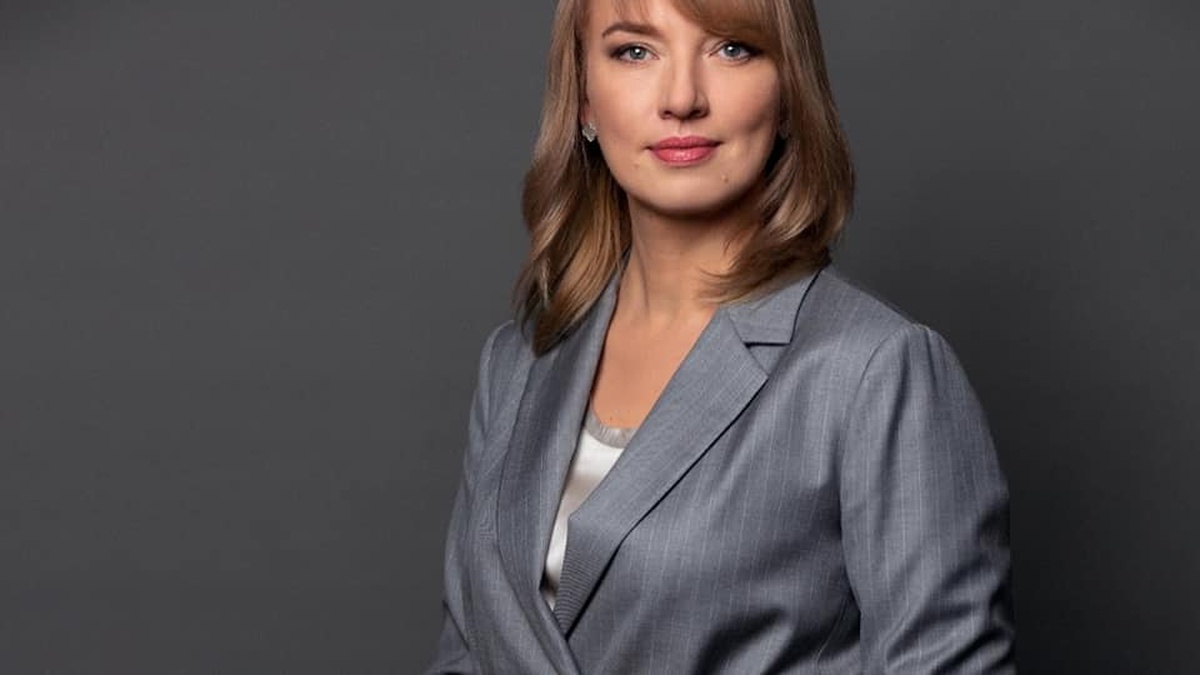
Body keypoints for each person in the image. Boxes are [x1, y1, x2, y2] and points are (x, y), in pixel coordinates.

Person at [428, 0, 1014, 671]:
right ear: (584, 100)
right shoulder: (517, 362)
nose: (682, 98)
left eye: (732, 48)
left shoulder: (876, 371)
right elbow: (468, 653)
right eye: (635, 51)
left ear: (790, 93)